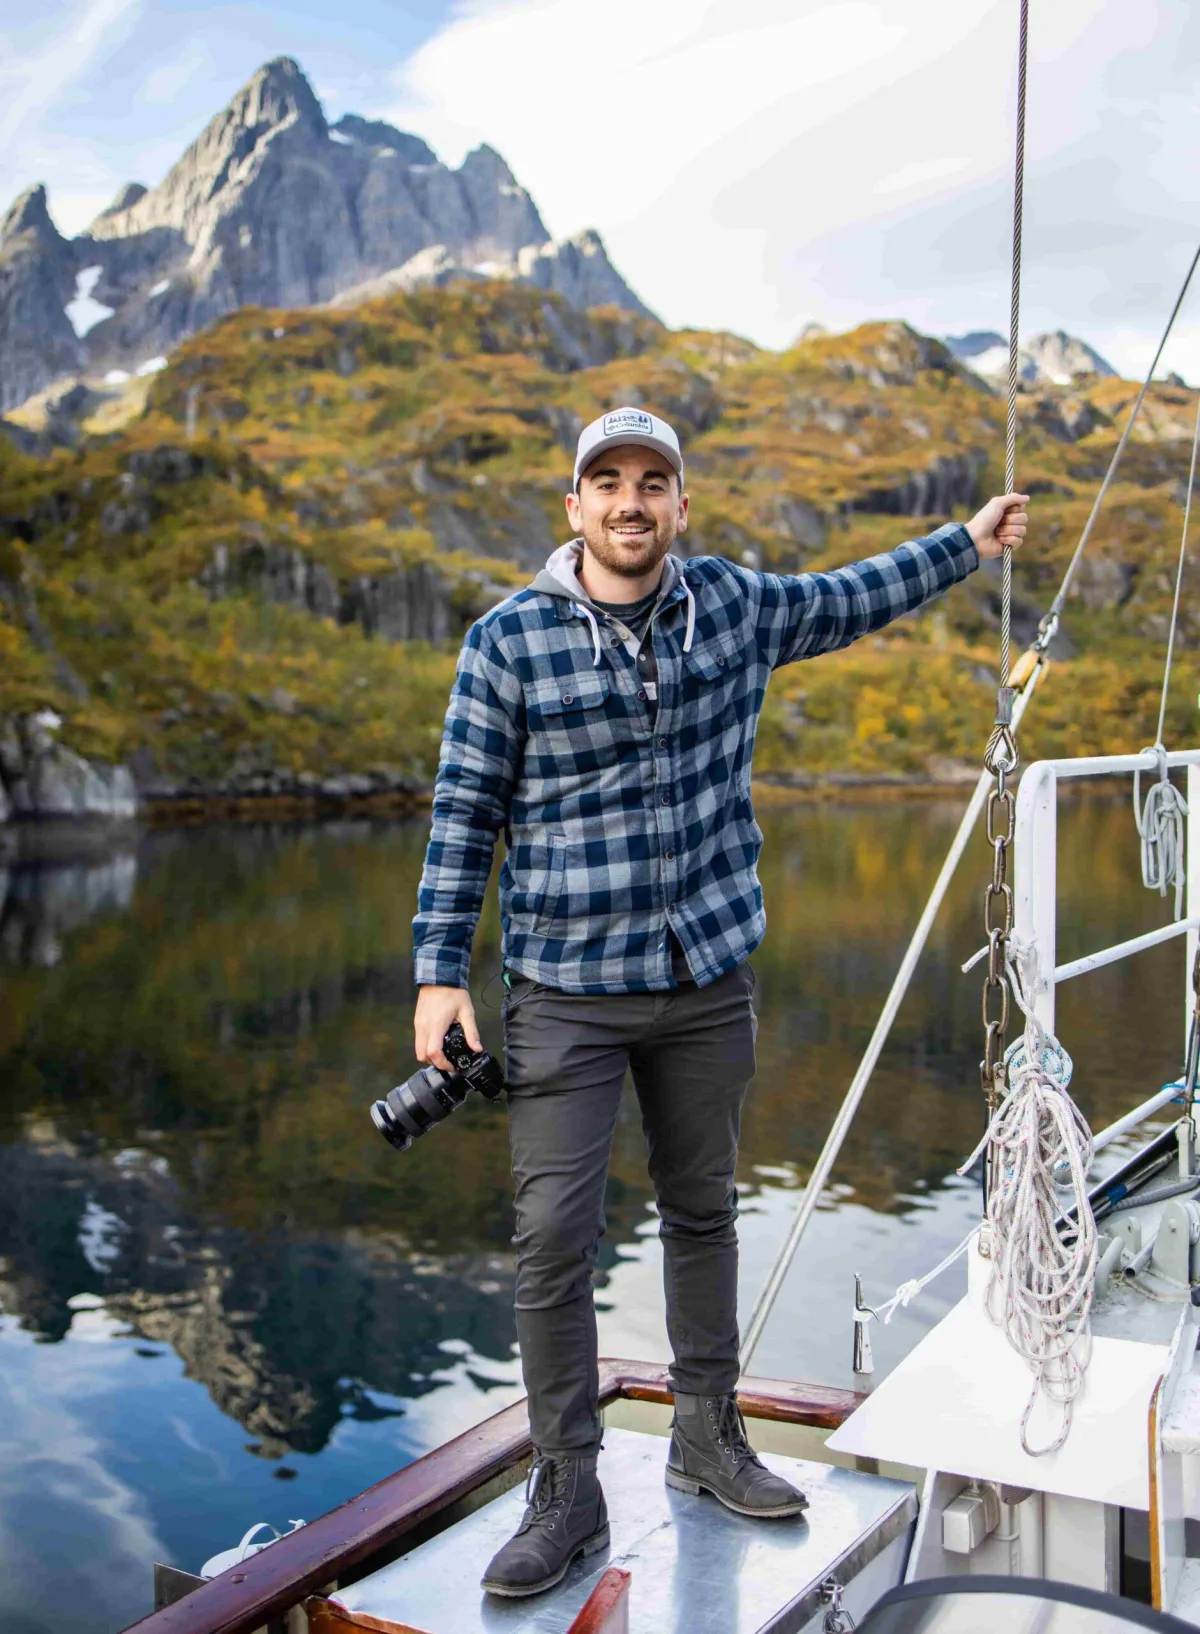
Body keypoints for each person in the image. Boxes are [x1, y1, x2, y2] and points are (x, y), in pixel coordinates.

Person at [412, 405, 1029, 1599]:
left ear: (681, 505)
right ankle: (565, 1483)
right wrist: (442, 968)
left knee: (702, 1210)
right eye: (608, 481)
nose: (630, 501)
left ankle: (706, 1434)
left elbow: (852, 595)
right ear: (575, 506)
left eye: (652, 481)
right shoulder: (507, 641)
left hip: (705, 976)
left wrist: (966, 540)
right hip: (567, 988)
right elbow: (463, 811)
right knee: (554, 1236)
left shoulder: (735, 605)